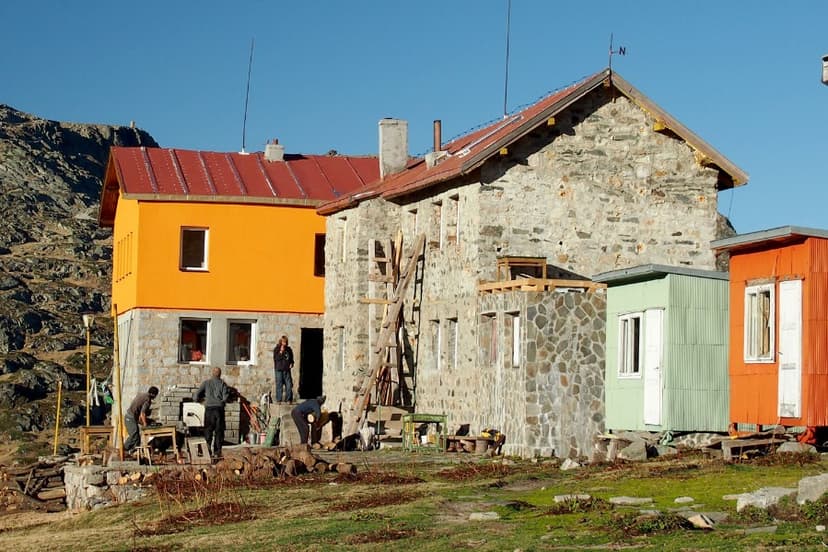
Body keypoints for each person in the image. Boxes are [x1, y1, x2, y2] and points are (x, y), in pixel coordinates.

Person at [194, 367, 229, 458]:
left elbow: (196, 395)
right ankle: (217, 453)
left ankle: (207, 451)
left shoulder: (206, 383)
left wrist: (200, 402)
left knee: (208, 431)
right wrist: (221, 402)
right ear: (220, 374)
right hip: (219, 410)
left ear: (212, 373)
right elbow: (225, 398)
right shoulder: (222, 384)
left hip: (209, 410)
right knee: (219, 432)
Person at [123, 386, 159, 453]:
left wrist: (146, 421)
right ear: (153, 394)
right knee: (134, 435)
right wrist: (145, 424)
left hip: (132, 417)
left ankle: (133, 451)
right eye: (155, 395)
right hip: (130, 418)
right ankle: (123, 449)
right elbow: (142, 413)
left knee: (137, 438)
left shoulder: (141, 394)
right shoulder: (147, 400)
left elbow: (140, 414)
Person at [273, 335, 295, 403]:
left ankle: (288, 399)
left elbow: (291, 358)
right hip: (279, 369)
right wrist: (281, 352)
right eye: (283, 342)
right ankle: (279, 400)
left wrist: (291, 363)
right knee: (279, 385)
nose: (284, 343)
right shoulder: (277, 349)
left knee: (289, 385)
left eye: (285, 342)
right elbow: (276, 359)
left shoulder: (289, 349)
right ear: (281, 342)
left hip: (287, 370)